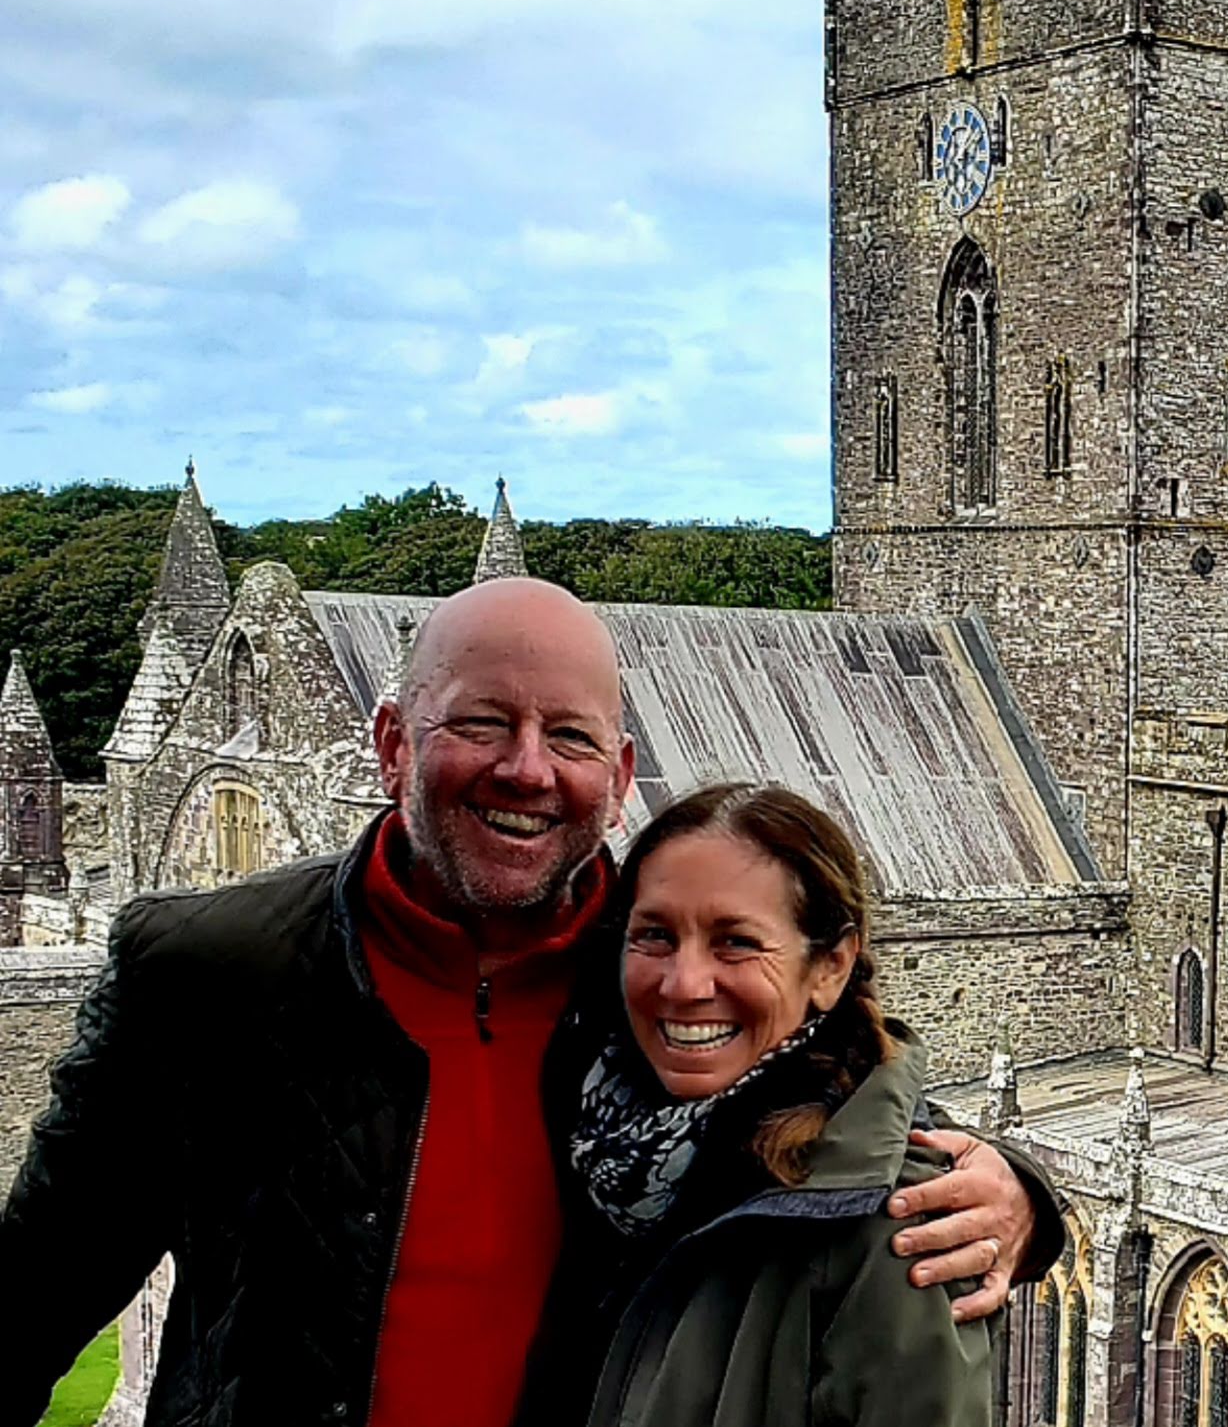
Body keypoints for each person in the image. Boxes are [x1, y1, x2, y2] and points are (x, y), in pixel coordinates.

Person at [0, 578, 1056, 1427]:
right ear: (392, 743)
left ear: (620, 771)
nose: (526, 768)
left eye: (572, 737)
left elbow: (841, 1114)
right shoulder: (204, 966)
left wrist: (1019, 1194)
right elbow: (32, 1291)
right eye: (482, 721)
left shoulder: (658, 976)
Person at [518, 782, 995, 1425]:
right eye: (654, 935)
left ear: (830, 966)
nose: (684, 985)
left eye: (735, 942)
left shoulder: (895, 1226)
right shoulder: (595, 1145)